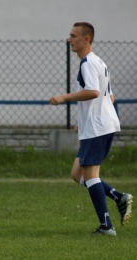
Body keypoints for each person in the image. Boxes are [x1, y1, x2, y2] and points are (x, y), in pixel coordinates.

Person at [49, 22, 133, 236]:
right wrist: (86, 118)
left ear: (86, 39)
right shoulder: (100, 62)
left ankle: (106, 227)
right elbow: (109, 96)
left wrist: (63, 97)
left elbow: (94, 92)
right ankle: (118, 197)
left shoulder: (87, 63)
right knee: (78, 174)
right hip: (100, 124)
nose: (70, 39)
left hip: (98, 126)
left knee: (91, 175)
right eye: (70, 35)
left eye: (74, 36)